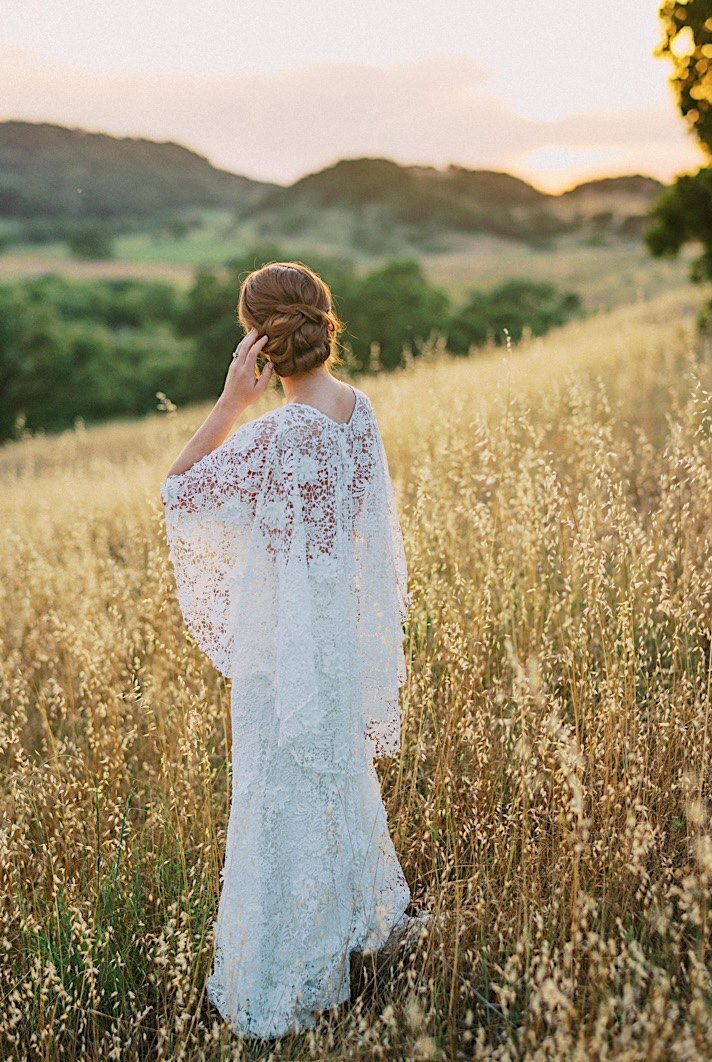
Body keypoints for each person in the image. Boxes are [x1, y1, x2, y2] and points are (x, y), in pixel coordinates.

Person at [162, 261, 418, 1039]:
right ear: (322, 321)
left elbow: (179, 492)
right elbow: (362, 530)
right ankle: (346, 934)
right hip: (334, 639)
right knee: (333, 788)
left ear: (259, 342)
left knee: (276, 803)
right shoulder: (358, 411)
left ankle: (286, 975)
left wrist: (232, 401)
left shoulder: (274, 433)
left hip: (283, 649)